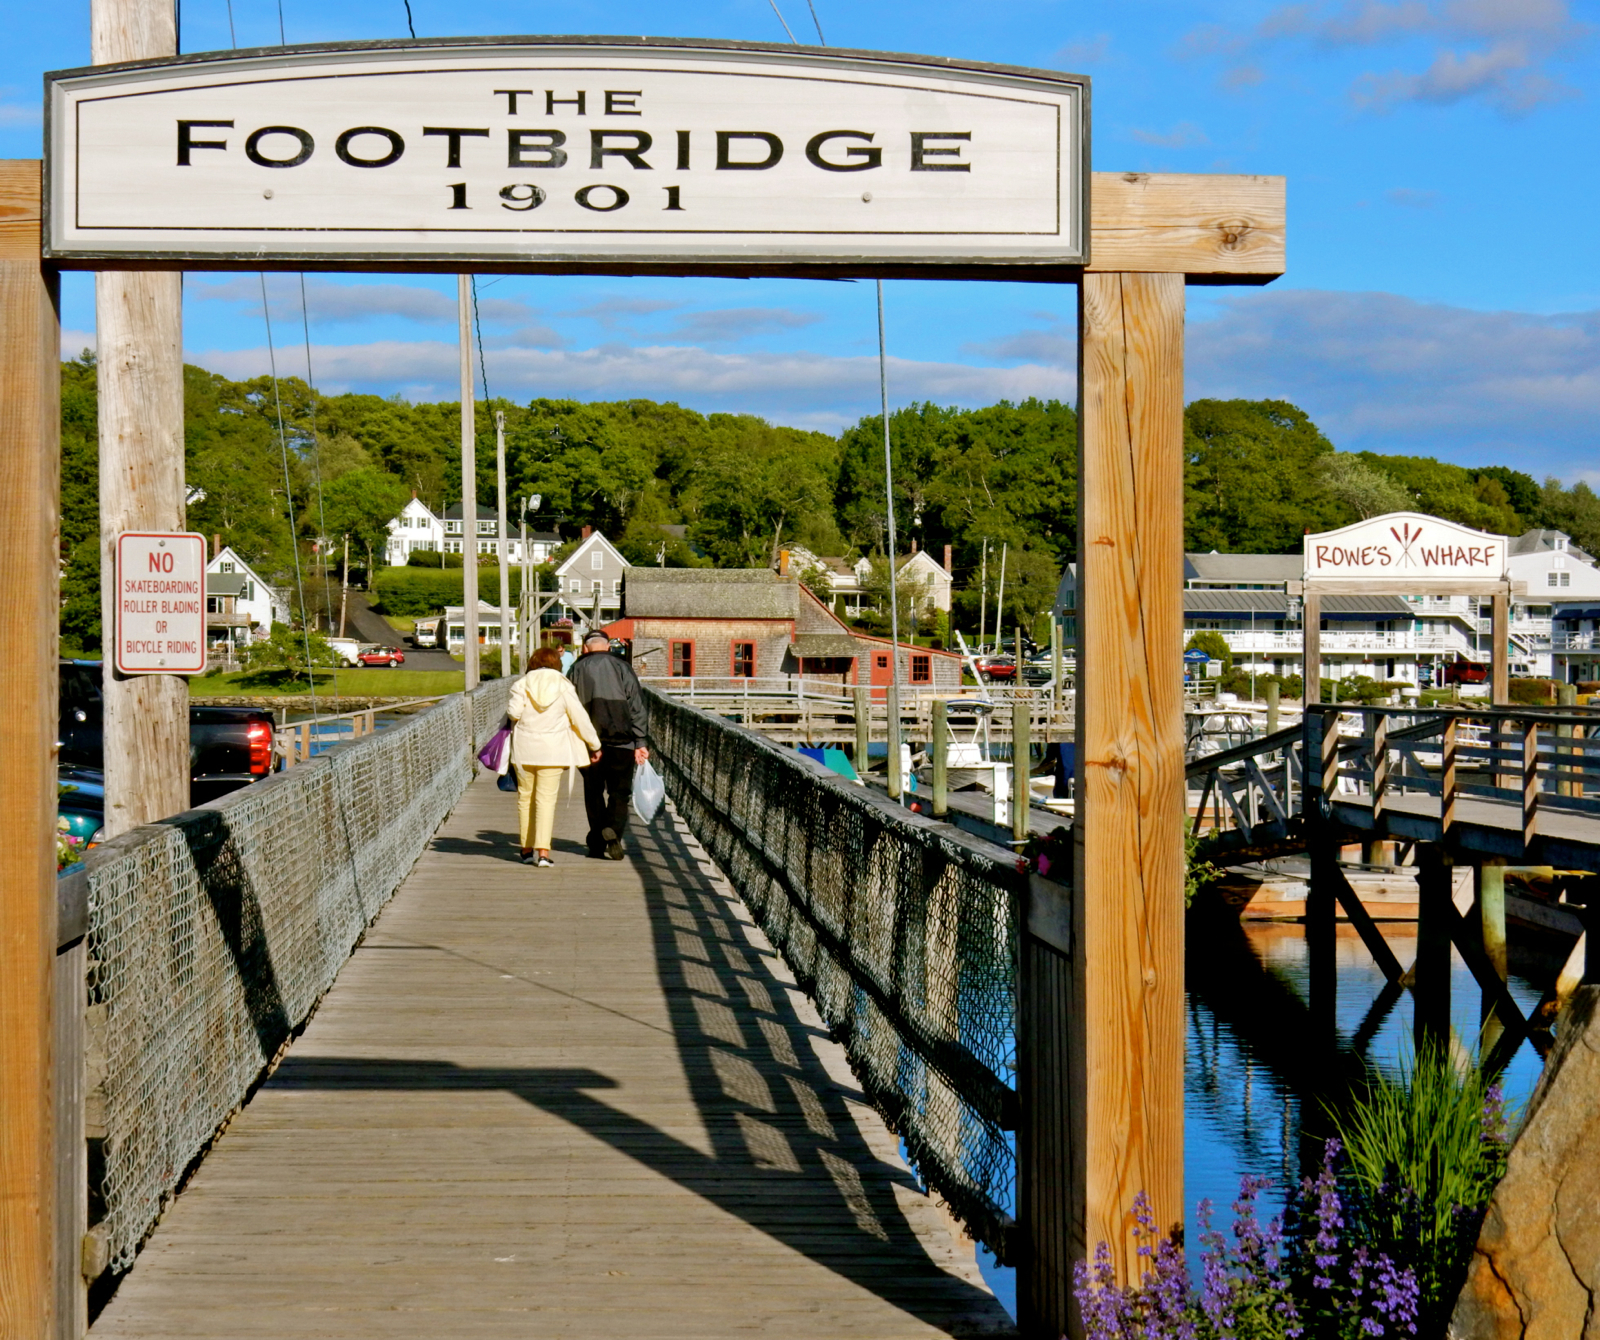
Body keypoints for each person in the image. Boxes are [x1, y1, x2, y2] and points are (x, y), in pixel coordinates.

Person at [506, 645, 600, 867]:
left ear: (533, 663)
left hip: (524, 751)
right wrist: (594, 745)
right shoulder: (564, 686)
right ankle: (544, 853)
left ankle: (526, 849)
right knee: (546, 801)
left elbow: (514, 713)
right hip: (553, 752)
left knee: (525, 799)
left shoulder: (521, 684)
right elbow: (579, 718)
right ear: (557, 664)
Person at [567, 629, 648, 860]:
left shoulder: (576, 670)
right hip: (623, 741)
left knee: (593, 792)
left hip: (589, 745)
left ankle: (596, 843)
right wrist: (640, 741)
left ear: (585, 648)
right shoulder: (623, 667)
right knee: (619, 793)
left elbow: (570, 707)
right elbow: (637, 706)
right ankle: (612, 828)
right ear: (608, 646)